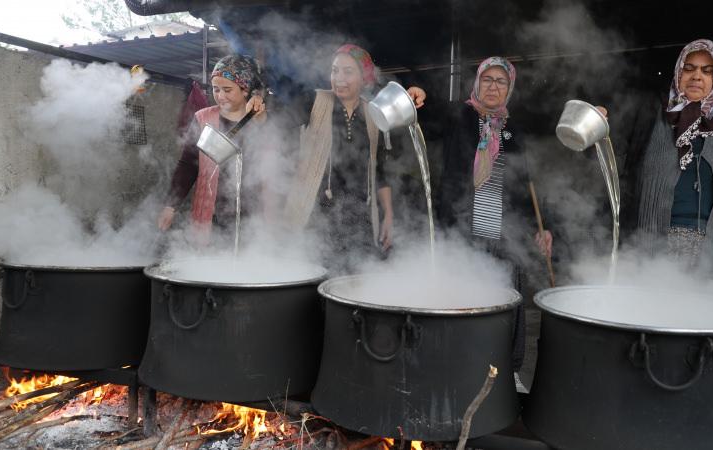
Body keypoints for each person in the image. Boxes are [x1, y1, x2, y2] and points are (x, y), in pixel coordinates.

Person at [427, 56, 553, 371]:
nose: (493, 86)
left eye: (501, 81)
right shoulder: (460, 115)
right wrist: (418, 94)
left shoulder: (513, 129)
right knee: (462, 300)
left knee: (502, 304)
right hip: (462, 230)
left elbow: (526, 186)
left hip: (503, 234)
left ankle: (499, 369)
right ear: (477, 82)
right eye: (487, 79)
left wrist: (543, 227)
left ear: (509, 88)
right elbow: (429, 113)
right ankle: (457, 366)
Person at [616, 39, 713, 272]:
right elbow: (612, 149)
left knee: (707, 307)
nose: (697, 76)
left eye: (707, 71)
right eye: (689, 68)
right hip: (651, 242)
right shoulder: (649, 111)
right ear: (678, 71)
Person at [282, 44, 425, 268]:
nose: (339, 78)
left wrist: (388, 214)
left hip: (361, 220)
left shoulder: (374, 112)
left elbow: (381, 170)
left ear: (364, 77)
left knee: (354, 285)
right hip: (314, 218)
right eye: (334, 70)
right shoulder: (313, 101)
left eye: (348, 72)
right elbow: (278, 125)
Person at [157, 54, 269, 246]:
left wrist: (262, 120)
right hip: (210, 212)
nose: (220, 95)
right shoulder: (203, 118)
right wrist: (171, 205)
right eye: (216, 89)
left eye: (227, 89)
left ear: (245, 90)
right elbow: (188, 165)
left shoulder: (259, 118)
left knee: (248, 266)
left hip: (251, 213)